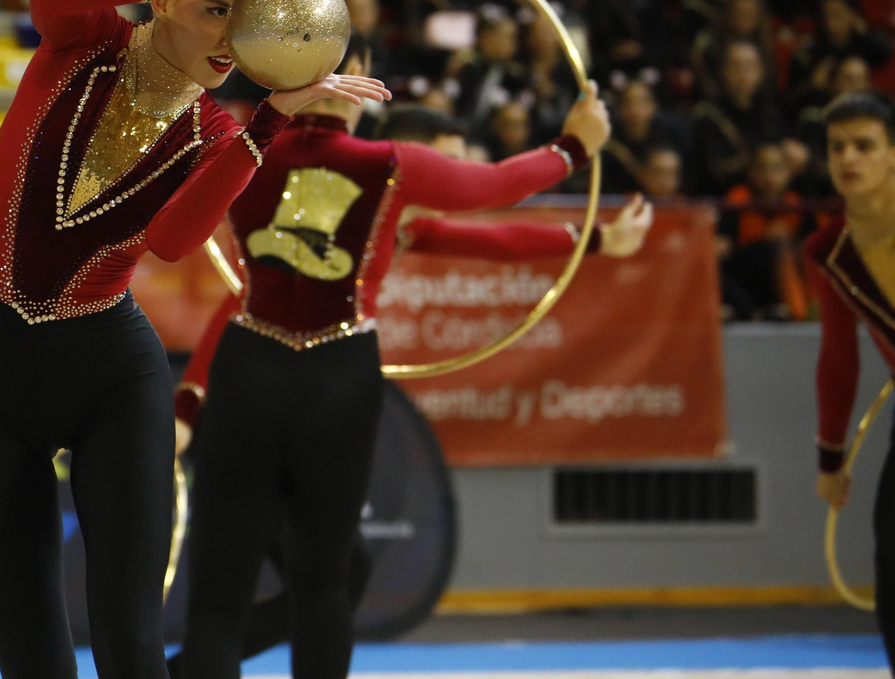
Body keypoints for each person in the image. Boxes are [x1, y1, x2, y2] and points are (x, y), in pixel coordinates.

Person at [0, 0, 387, 679]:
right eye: (218, 9)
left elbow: (173, 242)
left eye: (250, 20)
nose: (236, 40)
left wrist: (272, 119)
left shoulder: (217, 132)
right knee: (32, 656)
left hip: (110, 374)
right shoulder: (88, 39)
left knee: (132, 651)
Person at [170, 96, 650, 675]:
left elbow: (484, 239)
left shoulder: (240, 150)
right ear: (350, 90)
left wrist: (594, 239)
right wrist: (571, 147)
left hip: (253, 367)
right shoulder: (390, 168)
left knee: (227, 593)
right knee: (325, 581)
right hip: (336, 373)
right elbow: (496, 188)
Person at [809, 91, 895, 673]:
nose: (849, 158)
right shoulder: (828, 251)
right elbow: (839, 358)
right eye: (838, 146)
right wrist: (830, 460)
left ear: (893, 154)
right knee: (891, 547)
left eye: (864, 145)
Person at [719, 141, 813, 321]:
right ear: (751, 172)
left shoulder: (798, 204)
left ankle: (803, 310)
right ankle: (776, 312)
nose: (769, 176)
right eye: (762, 169)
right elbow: (724, 244)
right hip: (744, 275)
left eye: (777, 169)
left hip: (782, 278)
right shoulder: (736, 201)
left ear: (789, 172)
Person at [689, 38, 786, 196]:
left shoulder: (772, 110)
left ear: (761, 72)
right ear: (722, 71)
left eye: (750, 66)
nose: (743, 74)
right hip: (723, 203)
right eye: (736, 66)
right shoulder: (708, 114)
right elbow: (714, 173)